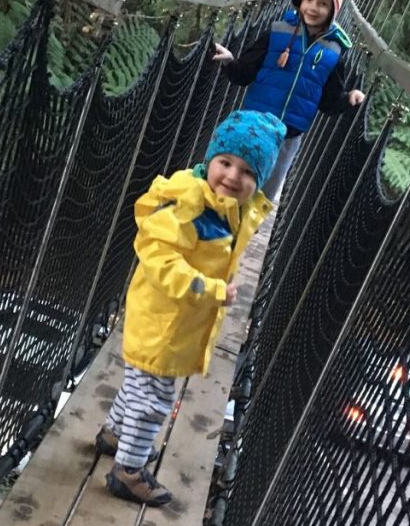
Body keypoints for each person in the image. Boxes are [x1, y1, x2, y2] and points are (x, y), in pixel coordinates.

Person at [94, 110, 286, 506]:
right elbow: (159, 258)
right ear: (209, 160)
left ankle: (114, 435)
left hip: (171, 319)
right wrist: (212, 288)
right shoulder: (189, 206)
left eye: (248, 172)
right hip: (165, 319)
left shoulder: (230, 208)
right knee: (155, 397)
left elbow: (250, 214)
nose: (233, 176)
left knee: (140, 380)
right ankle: (127, 471)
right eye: (226, 163)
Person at [212, 0, 365, 201]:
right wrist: (230, 62)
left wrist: (349, 98)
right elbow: (246, 72)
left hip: (288, 135)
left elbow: (329, 101)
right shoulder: (277, 31)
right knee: (234, 186)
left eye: (323, 4)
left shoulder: (334, 52)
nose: (313, 7)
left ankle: (245, 233)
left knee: (262, 197)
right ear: (300, 0)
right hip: (254, 126)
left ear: (333, 11)